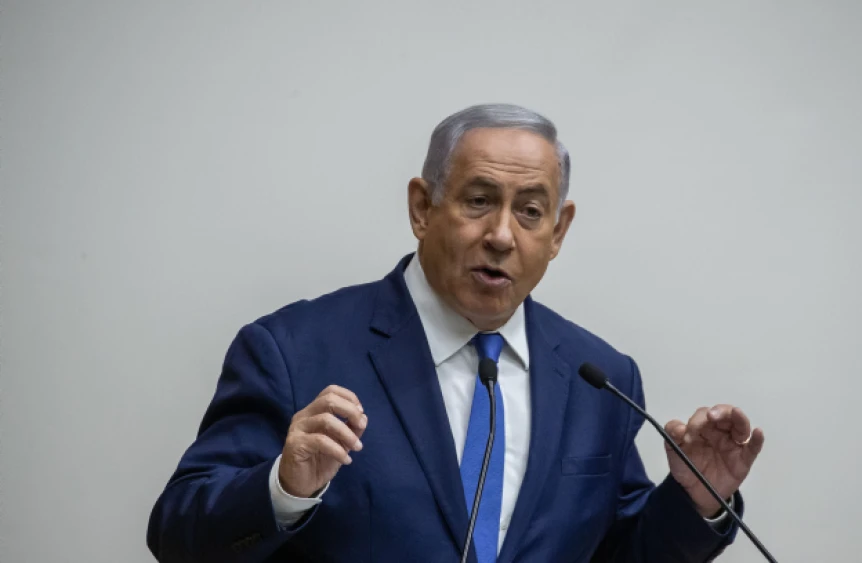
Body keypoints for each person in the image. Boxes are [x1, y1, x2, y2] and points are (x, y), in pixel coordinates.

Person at [147, 103, 765, 563]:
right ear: (421, 207)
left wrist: (696, 500)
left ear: (558, 231)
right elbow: (177, 534)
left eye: (530, 210)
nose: (502, 235)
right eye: (477, 200)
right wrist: (283, 487)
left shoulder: (598, 377)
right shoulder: (292, 351)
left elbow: (623, 552)